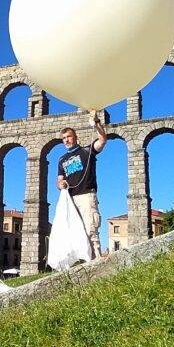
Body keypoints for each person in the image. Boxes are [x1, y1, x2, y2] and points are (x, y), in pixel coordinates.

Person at [56, 111, 107, 259]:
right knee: (75, 230)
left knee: (90, 227)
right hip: (70, 198)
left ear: (75, 137)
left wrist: (97, 123)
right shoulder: (61, 160)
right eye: (64, 138)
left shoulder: (86, 150)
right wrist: (61, 184)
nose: (66, 140)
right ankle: (85, 260)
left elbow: (102, 140)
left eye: (69, 136)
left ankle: (97, 259)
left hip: (86, 194)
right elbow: (59, 180)